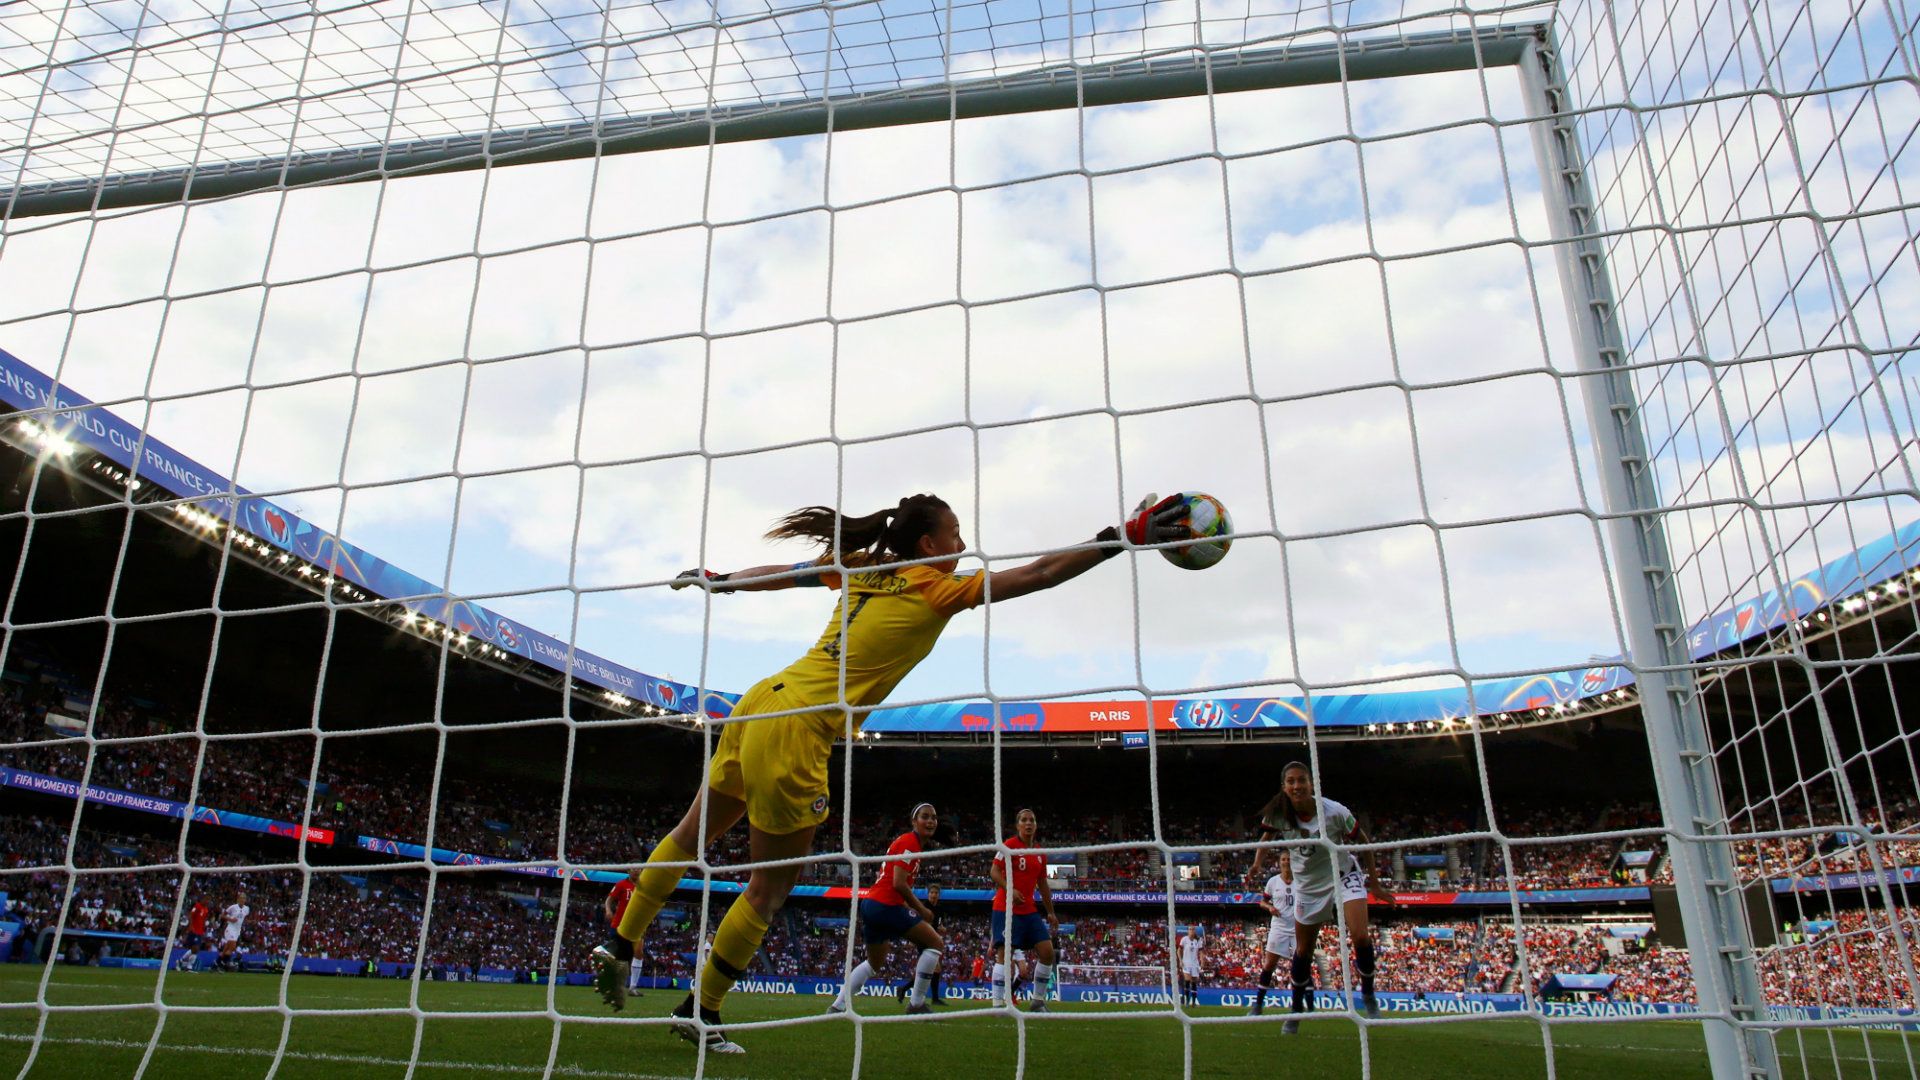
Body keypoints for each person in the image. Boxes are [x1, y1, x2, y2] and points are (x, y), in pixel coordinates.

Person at [615, 493, 1190, 1053]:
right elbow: (1039, 573)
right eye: (955, 534)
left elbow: (780, 574)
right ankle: (702, 1010)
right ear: (927, 543)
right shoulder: (936, 586)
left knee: (692, 835)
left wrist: (721, 579)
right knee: (766, 890)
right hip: (800, 728)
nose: (963, 545)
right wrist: (1120, 539)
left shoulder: (862, 566)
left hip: (761, 700)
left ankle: (620, 944)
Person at [1244, 762, 1396, 1032]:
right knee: (1303, 951)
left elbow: (1365, 844)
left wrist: (1374, 884)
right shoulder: (1279, 813)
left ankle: (1369, 997)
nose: (1297, 786)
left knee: (1360, 935)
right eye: (1291, 781)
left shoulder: (1334, 812)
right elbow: (1266, 837)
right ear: (1284, 787)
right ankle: (1295, 1011)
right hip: (1308, 887)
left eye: (1302, 780)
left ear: (1311, 783)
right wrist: (1257, 864)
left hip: (1343, 875)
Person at [834, 802, 943, 1015]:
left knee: (874, 964)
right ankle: (917, 1003)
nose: (930, 821)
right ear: (914, 821)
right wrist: (921, 909)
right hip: (885, 905)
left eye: (934, 817)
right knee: (935, 942)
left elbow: (888, 878)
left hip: (871, 905)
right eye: (925, 816)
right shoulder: (910, 842)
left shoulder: (908, 843)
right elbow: (898, 883)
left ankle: (838, 1005)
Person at [990, 808, 1059, 1012]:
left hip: (1029, 910)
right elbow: (993, 871)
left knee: (1047, 952)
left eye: (1032, 820)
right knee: (1005, 954)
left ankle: (1037, 1001)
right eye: (1024, 820)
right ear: (1018, 825)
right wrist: (1009, 889)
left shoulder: (1038, 853)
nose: (1028, 823)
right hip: (1005, 908)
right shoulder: (1008, 846)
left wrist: (1050, 911)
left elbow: (1043, 883)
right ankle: (996, 1005)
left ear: (1036, 825)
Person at [1250, 860, 1296, 1015]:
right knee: (1269, 964)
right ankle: (1258, 1005)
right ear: (1279, 862)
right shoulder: (1273, 881)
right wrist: (1270, 907)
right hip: (1279, 928)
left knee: (1301, 966)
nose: (1286, 862)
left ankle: (1302, 1007)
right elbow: (1262, 901)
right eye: (1283, 859)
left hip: (1298, 928)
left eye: (1289, 858)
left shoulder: (1301, 879)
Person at [591, 870, 641, 1010]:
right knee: (620, 955)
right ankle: (613, 983)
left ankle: (625, 987)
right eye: (634, 869)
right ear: (629, 870)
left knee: (635, 953)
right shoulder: (621, 884)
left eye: (640, 869)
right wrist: (608, 910)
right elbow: (609, 899)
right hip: (620, 923)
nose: (637, 871)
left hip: (636, 924)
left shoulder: (643, 886)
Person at [218, 892, 250, 973]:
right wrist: (230, 919)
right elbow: (222, 915)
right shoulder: (232, 907)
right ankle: (224, 963)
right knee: (232, 945)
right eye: (241, 898)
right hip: (230, 928)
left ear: (245, 900)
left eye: (244, 898)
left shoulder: (247, 909)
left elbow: (243, 918)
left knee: (230, 948)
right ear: (238, 899)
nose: (242, 900)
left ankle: (219, 962)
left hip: (237, 930)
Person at [175, 897, 209, 972]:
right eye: (206, 899)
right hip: (194, 930)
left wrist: (203, 929)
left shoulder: (206, 909)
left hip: (200, 931)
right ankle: (189, 967)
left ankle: (181, 961)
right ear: (202, 899)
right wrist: (191, 926)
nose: (207, 901)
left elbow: (203, 920)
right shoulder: (197, 906)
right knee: (195, 948)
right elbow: (191, 915)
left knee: (195, 949)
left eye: (208, 900)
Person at [1177, 926, 1204, 1006]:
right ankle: (1187, 1001)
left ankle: (1193, 1002)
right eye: (1190, 929)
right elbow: (1179, 950)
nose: (1191, 931)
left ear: (1195, 931)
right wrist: (1180, 961)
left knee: (1194, 983)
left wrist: (1202, 961)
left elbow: (1201, 952)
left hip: (1195, 964)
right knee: (1187, 981)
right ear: (1188, 931)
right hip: (1186, 963)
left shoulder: (1198, 940)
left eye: (1193, 929)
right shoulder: (1184, 939)